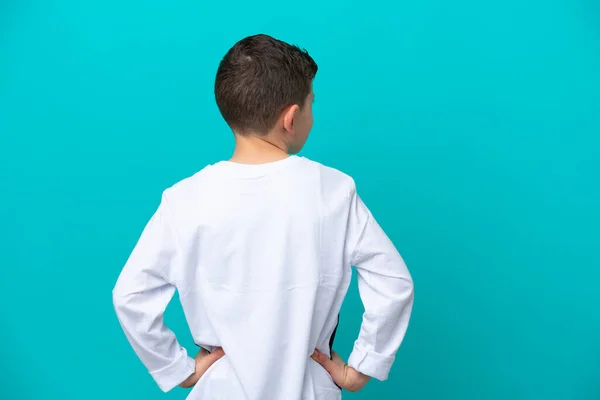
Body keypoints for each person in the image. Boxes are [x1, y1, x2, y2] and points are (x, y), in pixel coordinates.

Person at [112, 34, 414, 400]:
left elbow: (130, 294)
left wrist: (177, 369)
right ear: (291, 117)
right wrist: (362, 367)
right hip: (309, 388)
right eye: (311, 104)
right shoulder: (333, 190)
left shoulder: (184, 199)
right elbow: (394, 283)